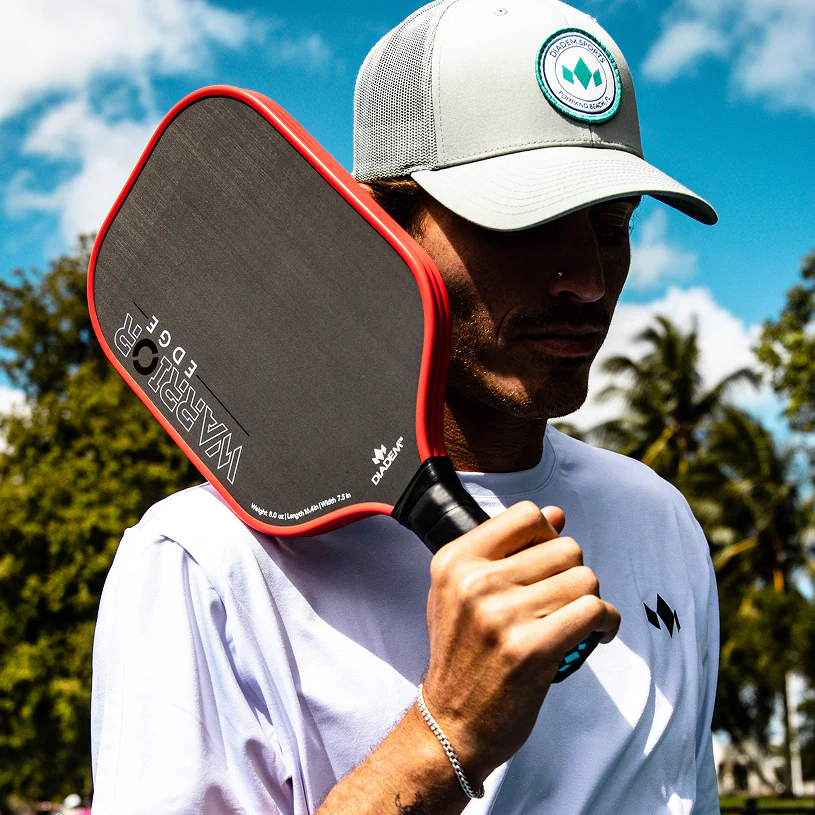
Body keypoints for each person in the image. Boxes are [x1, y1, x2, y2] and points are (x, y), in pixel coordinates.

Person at [90, 0, 720, 813]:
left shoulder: (659, 519)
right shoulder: (205, 562)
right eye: (525, 223)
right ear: (376, 225)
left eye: (609, 225)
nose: (588, 282)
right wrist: (444, 736)